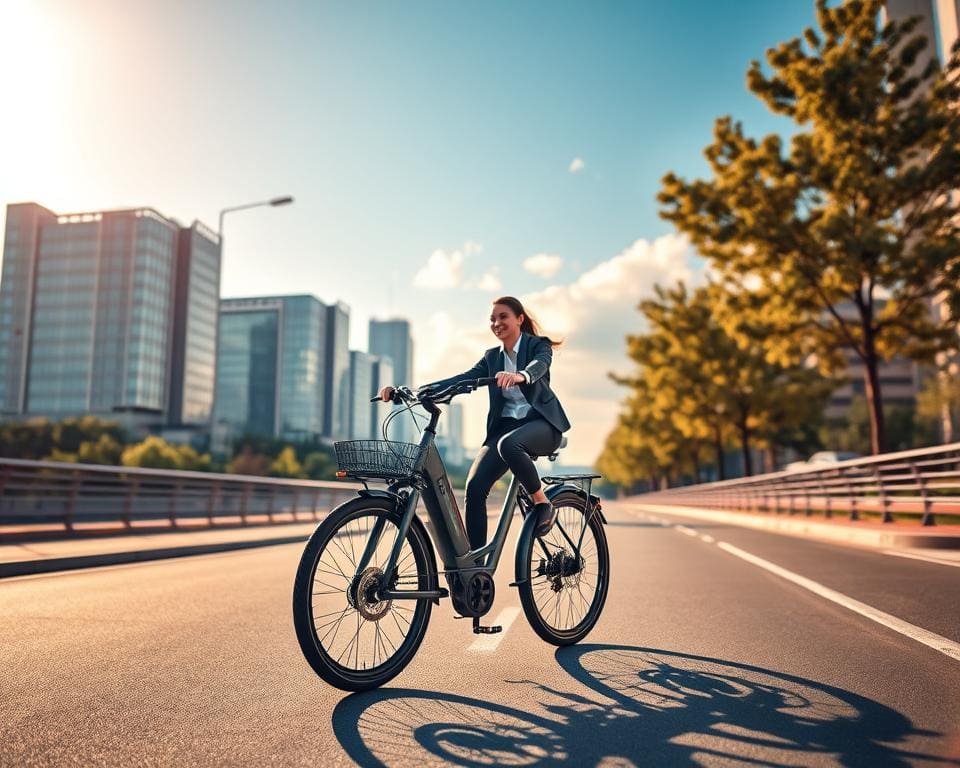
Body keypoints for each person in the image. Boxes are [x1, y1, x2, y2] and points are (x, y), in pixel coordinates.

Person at [379, 296, 570, 548]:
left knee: (508, 445)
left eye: (503, 317)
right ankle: (476, 566)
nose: (496, 323)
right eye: (492, 319)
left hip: (543, 426)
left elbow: (540, 366)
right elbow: (462, 379)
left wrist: (520, 376)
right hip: (504, 432)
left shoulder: (537, 346)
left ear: (519, 319)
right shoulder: (492, 358)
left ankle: (542, 502)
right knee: (474, 488)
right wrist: (411, 391)